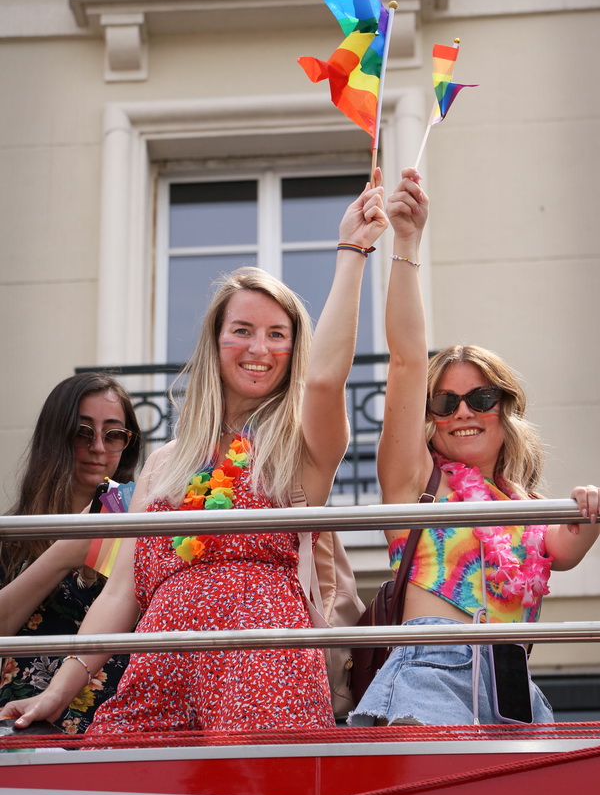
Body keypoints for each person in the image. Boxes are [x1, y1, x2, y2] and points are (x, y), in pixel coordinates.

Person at [1, 175, 388, 734]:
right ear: (215, 342)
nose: (260, 349)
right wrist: (58, 692)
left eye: (279, 335)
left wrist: (352, 252)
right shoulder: (165, 462)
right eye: (244, 331)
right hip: (157, 666)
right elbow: (123, 592)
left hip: (260, 665)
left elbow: (326, 382)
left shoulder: (298, 444)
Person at [349, 168, 599, 727]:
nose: (462, 410)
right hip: (432, 674)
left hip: (515, 686)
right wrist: (407, 243)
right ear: (430, 419)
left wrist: (591, 505)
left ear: (505, 408)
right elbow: (408, 360)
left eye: (479, 396)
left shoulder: (527, 505)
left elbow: (568, 546)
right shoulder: (416, 481)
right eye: (445, 402)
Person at [0, 373, 141, 732]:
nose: (98, 448)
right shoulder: (11, 534)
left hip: (121, 725)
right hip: (23, 721)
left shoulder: (145, 528)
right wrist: (64, 553)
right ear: (55, 436)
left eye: (113, 435)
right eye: (82, 432)